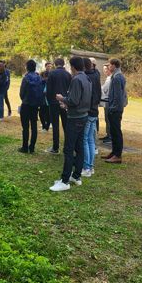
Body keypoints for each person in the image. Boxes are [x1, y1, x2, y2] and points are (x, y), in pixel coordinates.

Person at [49, 56, 92, 192]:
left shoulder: (77, 79)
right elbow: (81, 99)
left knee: (68, 149)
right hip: (84, 115)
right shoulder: (87, 78)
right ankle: (76, 176)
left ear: (73, 67)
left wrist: (62, 99)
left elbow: (73, 100)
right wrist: (67, 104)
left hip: (75, 118)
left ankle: (65, 180)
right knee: (79, 147)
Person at [45, 58, 71, 154]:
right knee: (66, 125)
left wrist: (49, 100)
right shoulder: (68, 74)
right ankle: (67, 147)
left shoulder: (52, 73)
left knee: (55, 125)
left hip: (53, 102)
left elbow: (49, 89)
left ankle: (55, 147)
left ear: (55, 64)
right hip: (65, 102)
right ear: (63, 64)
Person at [18, 59, 44, 154]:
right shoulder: (39, 78)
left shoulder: (26, 78)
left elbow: (22, 92)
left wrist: (24, 99)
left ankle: (25, 147)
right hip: (35, 105)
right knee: (34, 126)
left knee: (25, 127)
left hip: (26, 104)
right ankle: (32, 147)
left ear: (27, 67)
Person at [82, 58, 102, 177]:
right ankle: (90, 166)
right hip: (94, 111)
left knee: (85, 139)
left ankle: (87, 168)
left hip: (89, 111)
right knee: (90, 139)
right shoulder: (96, 74)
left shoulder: (87, 77)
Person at [104, 58, 126, 164]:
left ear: (114, 66)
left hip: (115, 109)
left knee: (116, 132)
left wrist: (112, 108)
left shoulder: (117, 77)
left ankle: (117, 155)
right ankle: (114, 152)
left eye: (110, 65)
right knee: (113, 132)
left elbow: (117, 96)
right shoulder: (117, 76)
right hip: (115, 108)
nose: (108, 67)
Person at [100, 63, 112, 143]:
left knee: (109, 119)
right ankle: (108, 134)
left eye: (105, 69)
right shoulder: (108, 78)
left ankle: (110, 136)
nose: (104, 71)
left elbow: (105, 89)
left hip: (108, 101)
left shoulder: (111, 78)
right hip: (106, 101)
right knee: (107, 119)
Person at [39, 62, 52, 131]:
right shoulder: (42, 73)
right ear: (45, 66)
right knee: (41, 112)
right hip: (42, 96)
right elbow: (40, 80)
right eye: (48, 66)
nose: (49, 67)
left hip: (49, 97)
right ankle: (44, 125)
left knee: (48, 112)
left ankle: (47, 126)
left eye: (50, 66)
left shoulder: (53, 74)